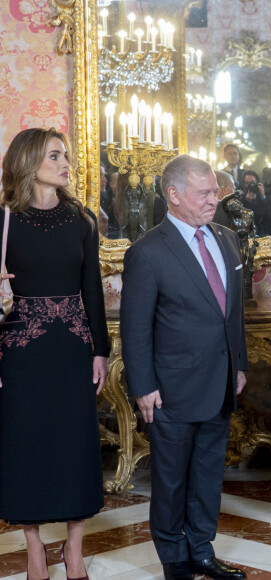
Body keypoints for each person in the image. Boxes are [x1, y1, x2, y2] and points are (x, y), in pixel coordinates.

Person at [120, 155, 248, 580]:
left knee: (208, 475)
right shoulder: (147, 251)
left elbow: (233, 315)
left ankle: (202, 550)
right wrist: (143, 385)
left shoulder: (228, 240)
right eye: (205, 193)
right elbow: (135, 327)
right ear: (174, 195)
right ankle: (174, 559)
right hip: (170, 387)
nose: (216, 199)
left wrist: (240, 365)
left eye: (216, 191)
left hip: (221, 381)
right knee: (172, 481)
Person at [0, 128, 110, 580]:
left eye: (66, 155)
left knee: (75, 444)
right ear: (29, 163)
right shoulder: (4, 219)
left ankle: (75, 549)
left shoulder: (81, 219)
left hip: (72, 347)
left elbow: (93, 291)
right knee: (26, 446)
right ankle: (35, 550)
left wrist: (100, 350)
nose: (66, 163)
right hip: (20, 351)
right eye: (55, 156)